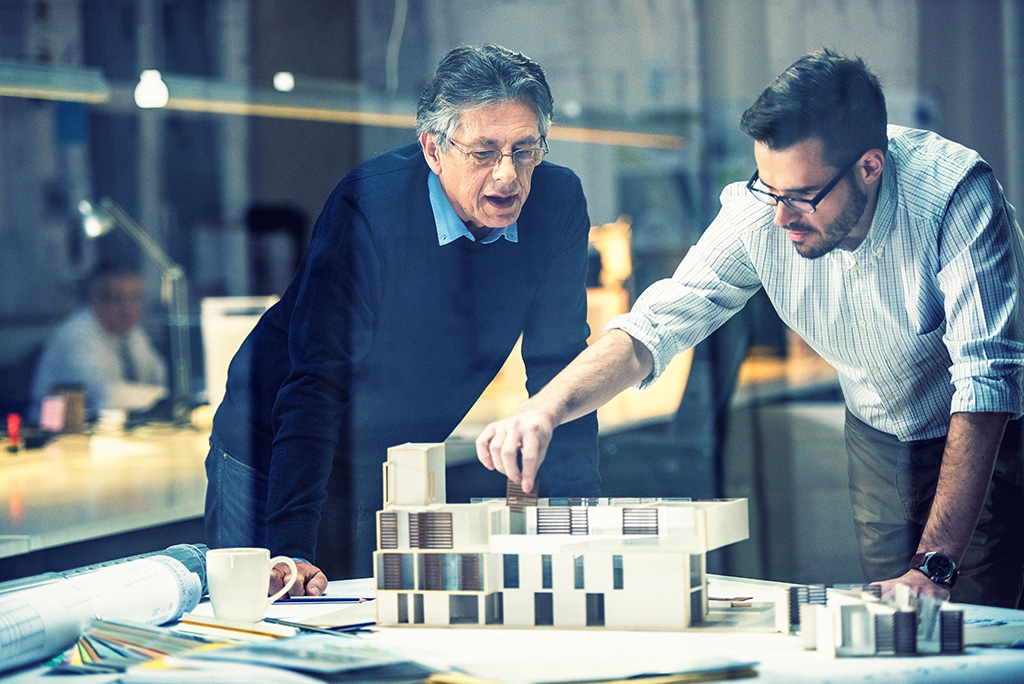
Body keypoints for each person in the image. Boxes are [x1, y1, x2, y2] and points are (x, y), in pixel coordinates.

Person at [477, 49, 1024, 609]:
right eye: (769, 188)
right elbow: (653, 326)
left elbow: (985, 382)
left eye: (802, 197)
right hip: (877, 435)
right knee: (896, 617)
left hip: (982, 435)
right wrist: (544, 407)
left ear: (869, 166)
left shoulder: (955, 195)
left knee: (976, 616)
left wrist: (934, 563)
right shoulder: (761, 212)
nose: (781, 216)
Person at [205, 44, 600, 596]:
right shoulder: (371, 207)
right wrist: (292, 547)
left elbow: (561, 365)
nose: (509, 175)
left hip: (391, 456)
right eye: (485, 152)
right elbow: (316, 381)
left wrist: (579, 517)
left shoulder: (557, 202)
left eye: (525, 149)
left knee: (368, 624)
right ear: (433, 151)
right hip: (277, 444)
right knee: (266, 615)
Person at [31, 262, 167, 422]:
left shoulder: (131, 332)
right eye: (118, 298)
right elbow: (105, 395)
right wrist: (165, 398)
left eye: (135, 297)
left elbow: (157, 374)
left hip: (112, 429)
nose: (128, 308)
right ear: (94, 299)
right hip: (54, 435)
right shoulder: (75, 335)